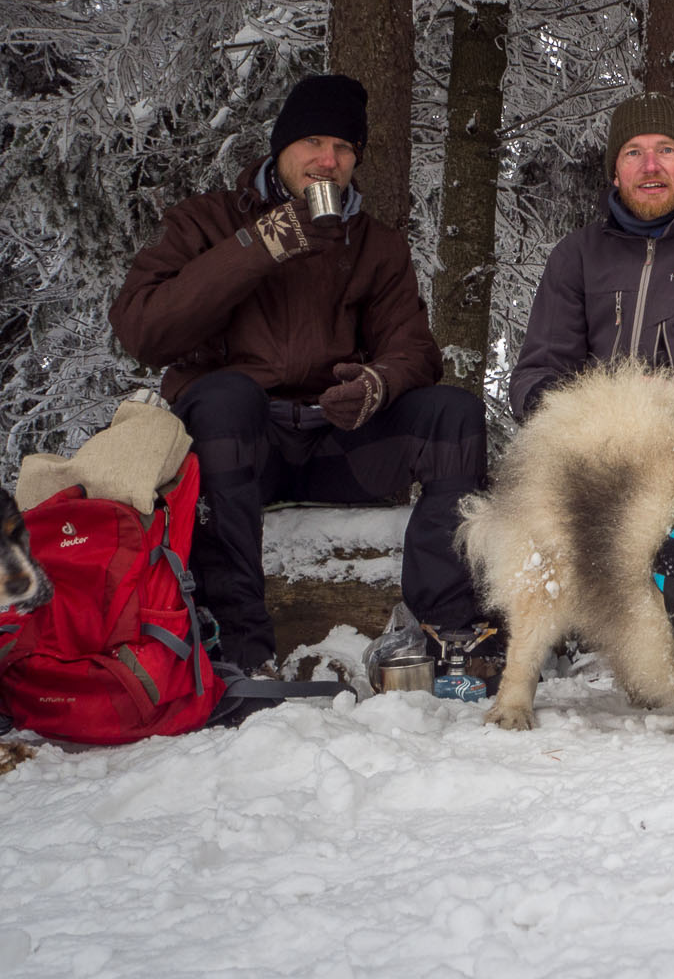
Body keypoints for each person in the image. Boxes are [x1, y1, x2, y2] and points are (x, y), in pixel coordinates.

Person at [109, 74, 488, 677]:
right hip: (239, 451)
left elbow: (413, 349)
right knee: (227, 397)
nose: (327, 159)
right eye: (312, 141)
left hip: (338, 445)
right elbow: (144, 331)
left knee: (454, 415)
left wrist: (376, 386)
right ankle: (239, 649)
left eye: (343, 148)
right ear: (280, 148)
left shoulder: (375, 245)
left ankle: (445, 634)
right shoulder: (204, 223)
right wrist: (259, 246)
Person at [509, 93, 674, 421]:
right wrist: (573, 408)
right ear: (615, 174)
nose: (650, 166)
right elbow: (536, 372)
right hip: (587, 433)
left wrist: (673, 402)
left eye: (666, 150)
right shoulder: (576, 255)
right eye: (633, 152)